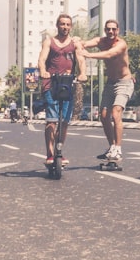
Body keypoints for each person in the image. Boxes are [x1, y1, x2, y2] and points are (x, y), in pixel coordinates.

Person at [79, 19, 134, 162]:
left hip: (124, 82)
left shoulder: (121, 44)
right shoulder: (101, 41)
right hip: (110, 83)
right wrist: (78, 41)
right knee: (103, 116)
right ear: (105, 30)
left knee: (116, 113)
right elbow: (85, 43)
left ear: (118, 30)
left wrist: (88, 55)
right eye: (108, 29)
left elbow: (109, 54)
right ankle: (112, 147)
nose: (111, 32)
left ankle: (118, 149)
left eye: (113, 29)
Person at [38, 13, 88, 165]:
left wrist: (82, 73)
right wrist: (42, 71)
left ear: (70, 26)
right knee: (51, 121)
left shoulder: (75, 43)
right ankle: (50, 153)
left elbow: (80, 59)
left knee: (64, 122)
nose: (65, 27)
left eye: (67, 24)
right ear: (57, 25)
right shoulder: (49, 42)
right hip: (51, 83)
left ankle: (59, 150)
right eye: (62, 24)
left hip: (68, 84)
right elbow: (42, 59)